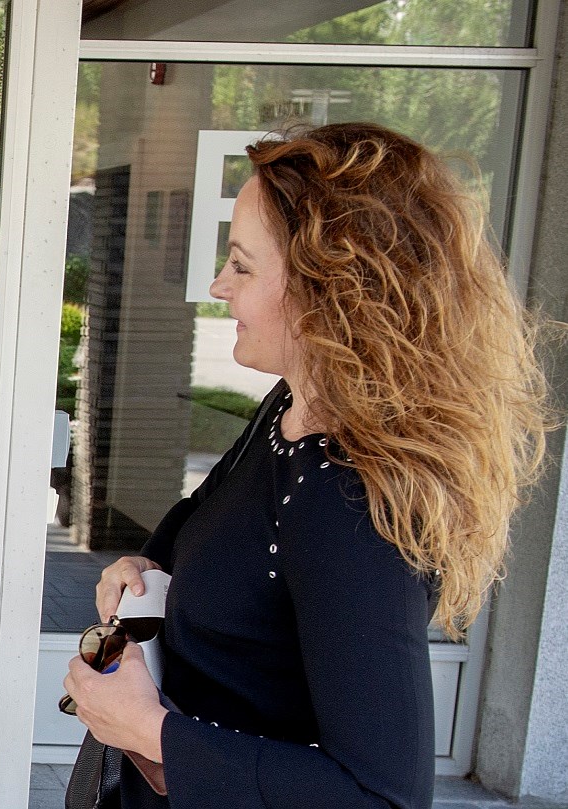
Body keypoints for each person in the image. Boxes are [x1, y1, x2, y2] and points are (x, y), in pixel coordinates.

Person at [63, 123, 549, 808]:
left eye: (241, 264)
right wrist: (143, 567)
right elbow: (200, 523)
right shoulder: (287, 409)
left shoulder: (348, 496)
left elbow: (379, 794)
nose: (217, 284)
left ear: (330, 287)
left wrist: (147, 727)